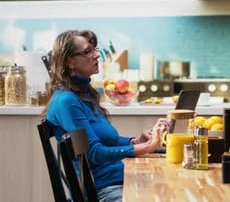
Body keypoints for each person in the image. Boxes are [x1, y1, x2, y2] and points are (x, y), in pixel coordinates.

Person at [42, 29, 164, 202]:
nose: (96, 55)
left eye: (94, 49)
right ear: (69, 62)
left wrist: (134, 142)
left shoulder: (84, 95)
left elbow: (105, 140)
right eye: (87, 51)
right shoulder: (66, 102)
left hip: (117, 182)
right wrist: (144, 149)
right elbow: (93, 153)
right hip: (101, 191)